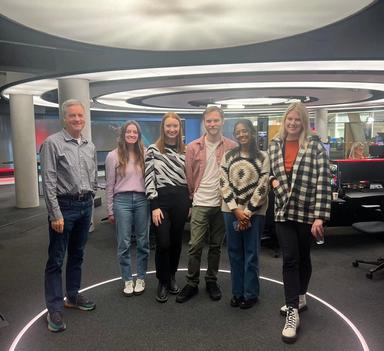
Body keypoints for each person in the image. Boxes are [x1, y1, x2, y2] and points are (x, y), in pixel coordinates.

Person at [268, 102, 331, 343]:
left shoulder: (314, 145)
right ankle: (292, 310)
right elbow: (271, 171)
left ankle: (301, 295)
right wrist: (273, 180)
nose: (292, 123)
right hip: (283, 210)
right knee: (290, 259)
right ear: (284, 121)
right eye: (289, 119)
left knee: (304, 257)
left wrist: (319, 215)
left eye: (297, 120)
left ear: (303, 122)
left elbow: (323, 180)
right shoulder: (275, 144)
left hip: (306, 211)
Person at [40, 99, 97, 333]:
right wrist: (55, 214)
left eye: (80, 116)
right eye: (72, 116)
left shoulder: (89, 145)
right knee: (56, 259)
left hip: (85, 206)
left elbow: (91, 175)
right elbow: (49, 181)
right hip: (63, 207)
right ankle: (54, 308)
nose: (77, 120)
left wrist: (91, 200)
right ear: (64, 118)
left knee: (77, 255)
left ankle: (72, 296)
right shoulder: (52, 143)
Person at [176, 106, 236, 303]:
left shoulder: (231, 147)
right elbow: (189, 175)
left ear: (222, 121)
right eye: (209, 121)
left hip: (222, 204)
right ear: (204, 122)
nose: (212, 124)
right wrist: (192, 199)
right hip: (201, 201)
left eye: (216, 120)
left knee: (216, 246)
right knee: (194, 246)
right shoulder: (193, 147)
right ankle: (192, 283)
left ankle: (211, 280)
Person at [220, 119, 270, 309]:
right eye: (238, 132)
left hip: (255, 213)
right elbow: (223, 183)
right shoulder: (228, 156)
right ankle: (237, 292)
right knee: (234, 254)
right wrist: (236, 209)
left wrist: (247, 212)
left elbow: (263, 186)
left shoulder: (263, 157)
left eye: (245, 131)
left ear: (252, 132)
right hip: (230, 211)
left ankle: (250, 294)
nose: (241, 135)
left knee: (251, 254)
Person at [145, 112, 189, 303]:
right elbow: (149, 179)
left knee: (177, 241)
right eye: (168, 126)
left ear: (179, 129)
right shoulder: (153, 150)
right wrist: (154, 205)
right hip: (160, 201)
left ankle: (171, 277)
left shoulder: (186, 150)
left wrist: (190, 202)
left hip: (181, 199)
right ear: (163, 128)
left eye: (175, 126)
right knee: (163, 243)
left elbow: (190, 178)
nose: (172, 129)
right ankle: (161, 281)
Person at [105, 121, 149, 297]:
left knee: (143, 242)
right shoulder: (113, 156)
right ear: (123, 134)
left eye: (135, 132)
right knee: (123, 243)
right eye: (128, 132)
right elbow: (109, 185)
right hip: (121, 201)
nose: (132, 134)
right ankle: (127, 279)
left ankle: (141, 277)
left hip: (142, 200)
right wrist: (109, 209)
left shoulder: (145, 154)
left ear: (138, 135)